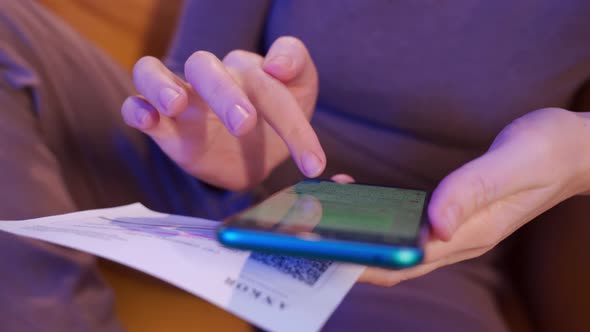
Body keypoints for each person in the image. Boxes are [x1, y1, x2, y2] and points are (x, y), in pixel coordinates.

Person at [0, 0, 588, 331]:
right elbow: (194, 71)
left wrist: (579, 151)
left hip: (424, 245)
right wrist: (204, 112)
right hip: (207, 179)